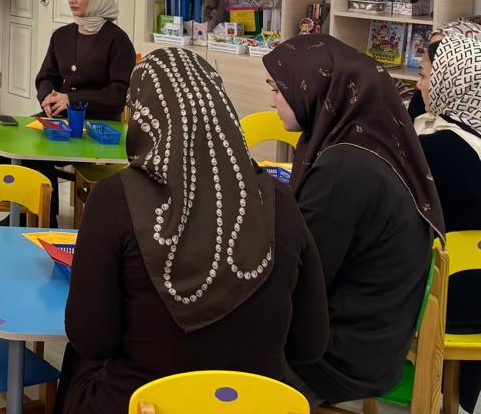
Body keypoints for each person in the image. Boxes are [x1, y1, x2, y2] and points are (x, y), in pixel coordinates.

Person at [56, 48, 328, 414]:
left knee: (77, 363)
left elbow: (92, 340)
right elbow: (310, 344)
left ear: (143, 116)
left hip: (145, 403)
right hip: (253, 406)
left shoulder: (115, 198)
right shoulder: (279, 199)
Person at [263, 34, 444, 406]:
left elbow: (297, 275)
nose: (272, 101)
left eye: (278, 89)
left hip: (338, 359)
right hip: (370, 339)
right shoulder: (367, 143)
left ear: (315, 89)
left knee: (205, 355)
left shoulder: (344, 171)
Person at [415, 26, 481, 411]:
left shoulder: (438, 148)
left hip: (447, 301)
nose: (419, 85)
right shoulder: (463, 133)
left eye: (425, 75)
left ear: (449, 83)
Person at [35, 0, 135, 120]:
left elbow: (119, 94)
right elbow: (46, 77)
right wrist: (47, 98)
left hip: (99, 122)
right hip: (61, 116)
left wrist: (72, 99)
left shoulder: (118, 40)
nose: (72, 0)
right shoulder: (60, 35)